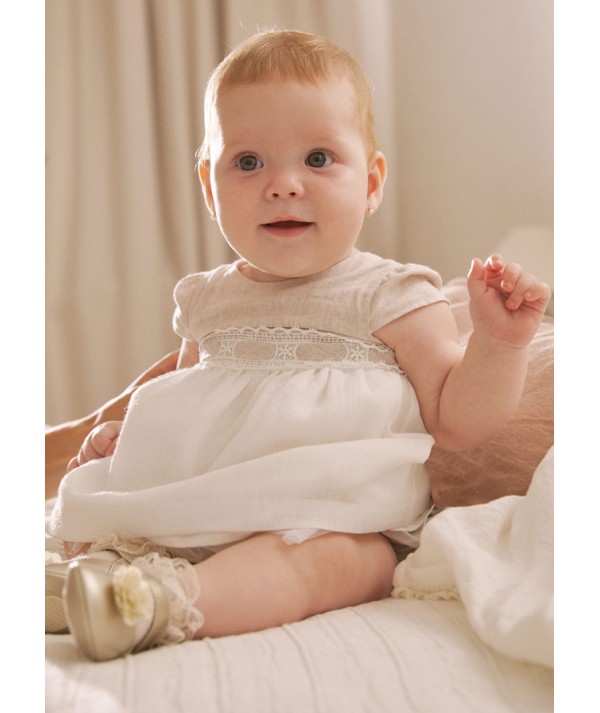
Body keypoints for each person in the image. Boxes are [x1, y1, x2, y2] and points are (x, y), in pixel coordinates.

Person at [46, 30, 551, 661]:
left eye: (317, 158)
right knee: (121, 521)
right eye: (248, 163)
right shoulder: (207, 299)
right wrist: (129, 437)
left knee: (356, 561)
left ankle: (160, 602)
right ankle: (92, 578)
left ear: (371, 183)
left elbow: (459, 422)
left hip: (331, 516)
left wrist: (499, 347)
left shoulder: (393, 293)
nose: (283, 184)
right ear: (210, 189)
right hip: (198, 504)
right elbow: (185, 402)